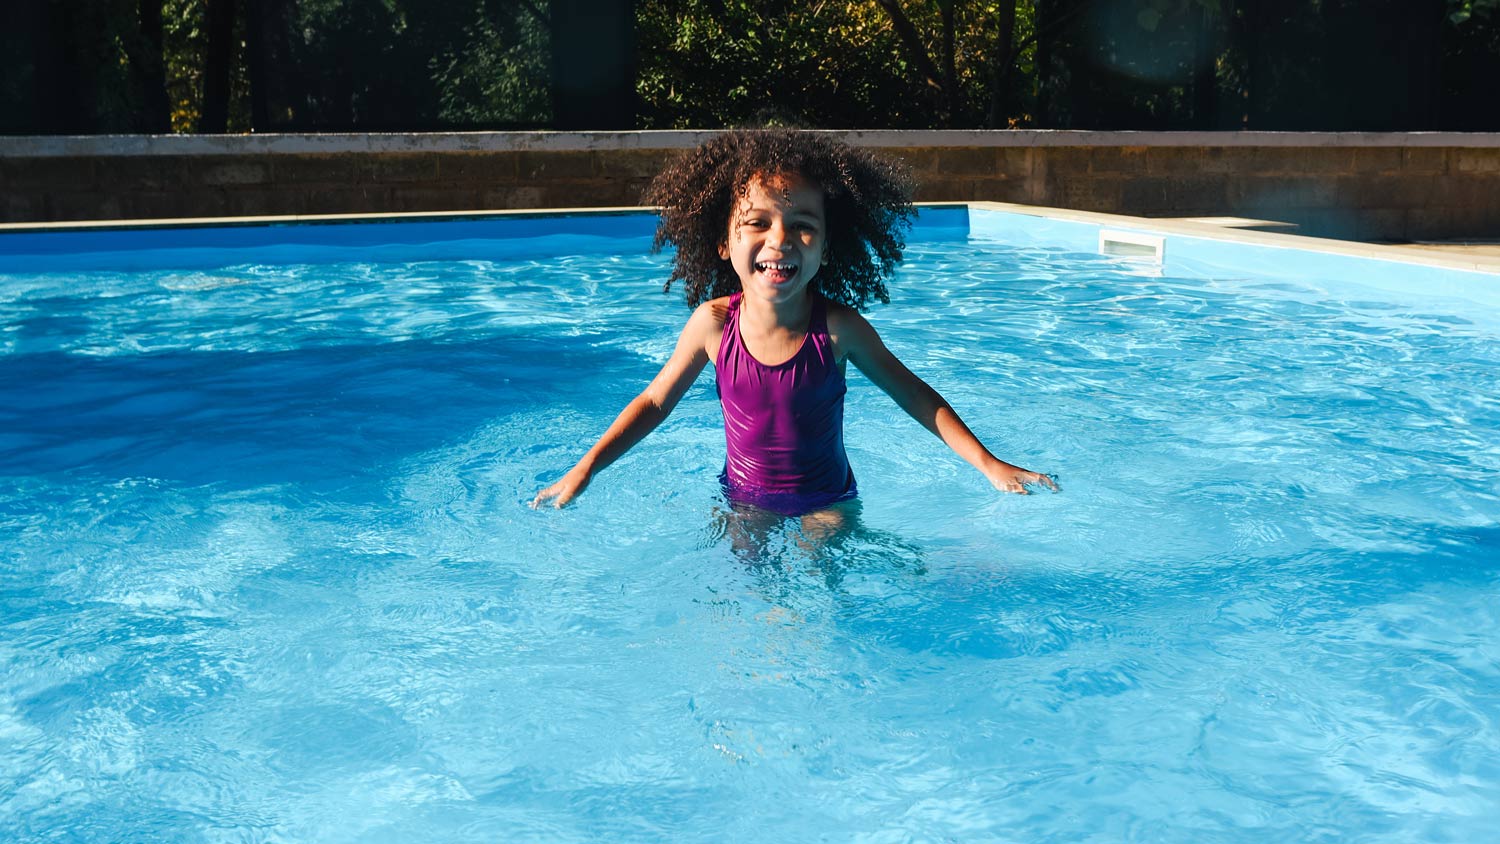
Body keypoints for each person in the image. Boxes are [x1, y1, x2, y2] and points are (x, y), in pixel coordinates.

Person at [533, 129, 1056, 527]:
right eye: (757, 222)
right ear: (723, 242)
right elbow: (652, 404)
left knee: (816, 587)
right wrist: (587, 468)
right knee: (738, 595)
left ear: (827, 247)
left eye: (803, 226)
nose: (780, 240)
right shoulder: (713, 326)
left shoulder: (838, 330)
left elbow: (915, 395)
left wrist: (989, 464)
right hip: (743, 496)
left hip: (826, 502)